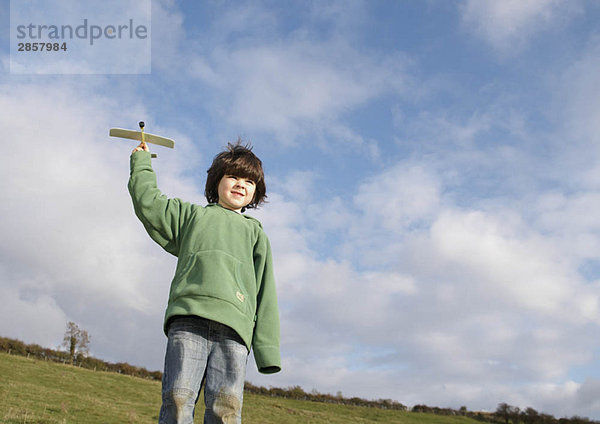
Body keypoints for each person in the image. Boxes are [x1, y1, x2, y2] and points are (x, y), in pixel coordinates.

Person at [128, 139, 281, 424]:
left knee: (226, 409)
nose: (240, 184)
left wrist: (267, 349)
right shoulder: (191, 217)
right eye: (233, 176)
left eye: (249, 181)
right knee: (177, 398)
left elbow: (265, 293)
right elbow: (149, 203)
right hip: (189, 320)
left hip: (235, 331)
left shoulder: (256, 234)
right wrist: (142, 163)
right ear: (216, 182)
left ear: (256, 192)